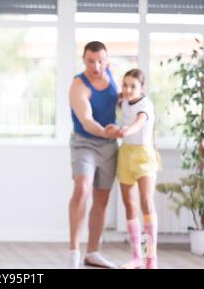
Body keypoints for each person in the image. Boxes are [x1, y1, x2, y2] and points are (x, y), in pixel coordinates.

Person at [68, 41, 120, 269]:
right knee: (82, 189)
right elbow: (87, 121)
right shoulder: (78, 85)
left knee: (102, 198)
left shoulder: (110, 74)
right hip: (85, 142)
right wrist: (106, 131)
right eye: (91, 61)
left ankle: (93, 253)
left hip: (109, 146)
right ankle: (74, 253)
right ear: (84, 60)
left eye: (101, 61)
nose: (96, 66)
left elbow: (120, 101)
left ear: (106, 60)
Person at [106, 69, 159, 269]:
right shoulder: (125, 101)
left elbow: (139, 122)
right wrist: (116, 129)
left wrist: (126, 130)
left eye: (133, 86)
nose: (128, 89)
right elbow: (124, 118)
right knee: (129, 206)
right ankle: (137, 257)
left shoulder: (145, 105)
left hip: (144, 156)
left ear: (142, 87)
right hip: (126, 154)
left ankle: (150, 260)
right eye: (125, 85)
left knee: (146, 202)